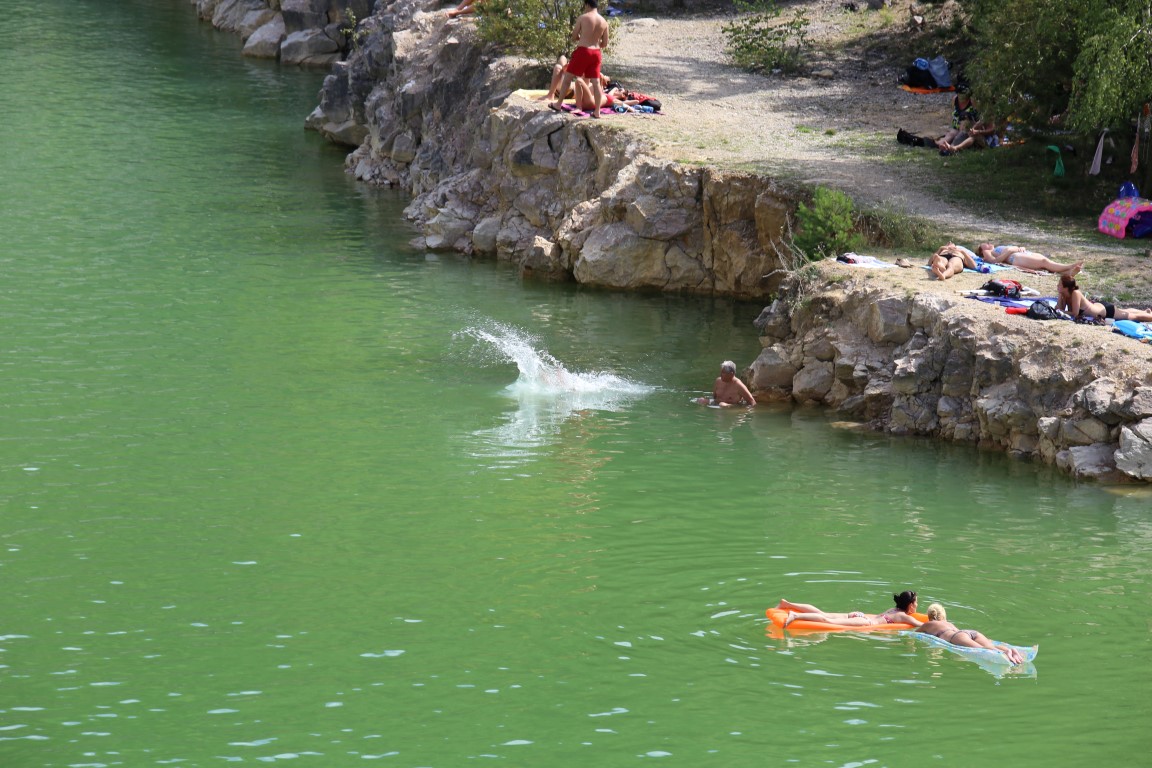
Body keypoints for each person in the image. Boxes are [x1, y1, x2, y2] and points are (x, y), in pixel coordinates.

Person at [548, 0, 610, 119]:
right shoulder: (604, 21)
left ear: (587, 4)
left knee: (567, 78)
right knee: (596, 83)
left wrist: (582, 38)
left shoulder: (583, 18)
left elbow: (574, 36)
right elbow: (605, 43)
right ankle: (597, 112)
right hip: (596, 53)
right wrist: (595, 44)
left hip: (583, 51)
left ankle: (558, 104)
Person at [917, 603, 1025, 665]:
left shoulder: (928, 624)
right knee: (990, 646)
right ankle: (1010, 650)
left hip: (958, 636)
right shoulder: (949, 623)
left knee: (985, 650)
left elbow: (914, 633)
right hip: (969, 632)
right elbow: (961, 634)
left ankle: (1008, 654)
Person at [779, 591, 923, 629]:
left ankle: (787, 604)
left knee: (824, 614)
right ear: (910, 605)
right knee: (828, 621)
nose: (917, 606)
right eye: (916, 603)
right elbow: (923, 625)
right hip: (865, 622)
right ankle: (795, 615)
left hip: (859, 615)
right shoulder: (904, 616)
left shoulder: (893, 609)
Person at [1056, 275, 1152, 322]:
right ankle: (1145, 311)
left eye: (1059, 284)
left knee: (1134, 317)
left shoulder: (1075, 293)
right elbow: (1058, 309)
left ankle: (1147, 315)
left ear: (1066, 287)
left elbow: (1075, 314)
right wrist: (1060, 295)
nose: (1057, 286)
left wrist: (1060, 311)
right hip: (1099, 307)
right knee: (1124, 310)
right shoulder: (1064, 294)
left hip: (1105, 311)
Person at [975, 243, 1083, 276]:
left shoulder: (998, 247)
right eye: (984, 244)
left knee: (1046, 262)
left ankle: (1069, 273)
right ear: (981, 250)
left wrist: (1021, 248)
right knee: (1044, 263)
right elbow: (994, 261)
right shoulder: (987, 252)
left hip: (1022, 253)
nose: (987, 243)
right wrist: (1009, 251)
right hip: (1015, 257)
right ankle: (1069, 266)